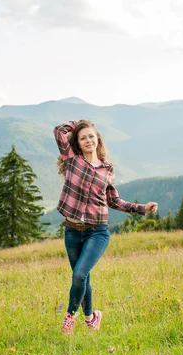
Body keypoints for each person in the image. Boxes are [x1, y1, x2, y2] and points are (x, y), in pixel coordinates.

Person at [54, 119, 158, 334]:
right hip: (72, 231)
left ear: (98, 138)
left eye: (91, 136)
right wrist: (81, 123)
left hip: (97, 231)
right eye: (83, 137)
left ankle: (69, 317)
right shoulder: (72, 159)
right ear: (78, 142)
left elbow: (114, 201)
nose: (88, 140)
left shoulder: (107, 168)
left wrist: (143, 208)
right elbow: (59, 130)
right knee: (83, 277)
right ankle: (92, 317)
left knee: (79, 275)